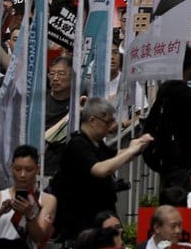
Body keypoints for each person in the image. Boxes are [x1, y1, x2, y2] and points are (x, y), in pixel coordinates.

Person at [50, 97, 153, 242]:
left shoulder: (97, 143)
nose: (111, 127)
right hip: (82, 220)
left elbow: (115, 155)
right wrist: (131, 151)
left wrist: (137, 147)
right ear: (92, 121)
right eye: (108, 122)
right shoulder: (77, 145)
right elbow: (100, 169)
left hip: (102, 212)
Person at [144, 47, 191, 192]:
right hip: (185, 158)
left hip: (164, 156)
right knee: (183, 201)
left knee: (167, 196)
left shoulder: (164, 89)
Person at [0, 144, 57, 245]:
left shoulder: (47, 200)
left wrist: (29, 214)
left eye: (29, 170)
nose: (22, 175)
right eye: (18, 169)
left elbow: (39, 237)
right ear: (11, 168)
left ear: (37, 169)